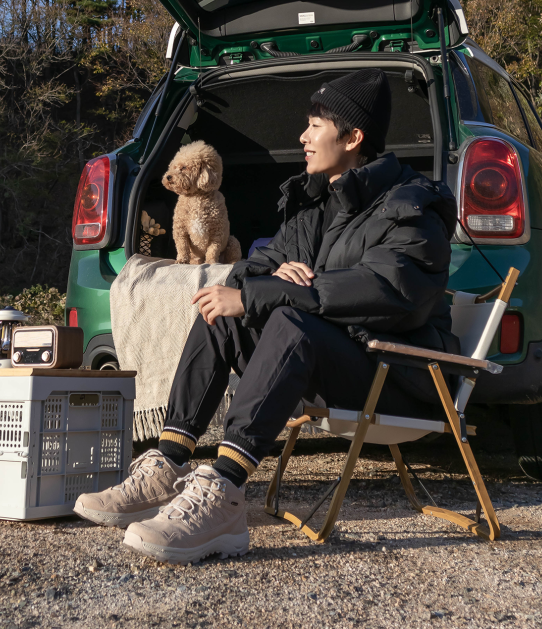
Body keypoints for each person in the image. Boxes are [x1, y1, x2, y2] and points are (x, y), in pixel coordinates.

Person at [74, 69, 458, 563]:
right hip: (333, 360)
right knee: (220, 310)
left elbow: (390, 290)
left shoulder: (411, 205)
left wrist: (279, 291)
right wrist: (267, 280)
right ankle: (167, 463)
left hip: (395, 371)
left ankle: (225, 491)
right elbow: (249, 269)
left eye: (315, 125)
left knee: (288, 321)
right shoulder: (317, 204)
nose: (302, 137)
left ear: (353, 137)